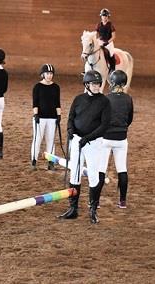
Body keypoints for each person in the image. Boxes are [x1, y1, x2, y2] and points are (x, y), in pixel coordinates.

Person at [58, 70, 111, 224]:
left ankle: (93, 209)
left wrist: (87, 138)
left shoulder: (104, 102)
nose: (97, 86)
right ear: (87, 85)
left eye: (98, 84)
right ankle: (73, 208)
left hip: (93, 143)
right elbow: (71, 117)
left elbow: (104, 125)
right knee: (75, 172)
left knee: (94, 175)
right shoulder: (79, 99)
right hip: (77, 140)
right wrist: (70, 131)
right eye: (94, 84)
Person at [97, 70, 133, 209]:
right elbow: (129, 119)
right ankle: (122, 201)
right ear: (124, 83)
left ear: (111, 82)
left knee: (101, 169)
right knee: (122, 169)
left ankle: (96, 201)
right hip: (121, 138)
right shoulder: (128, 98)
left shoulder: (105, 98)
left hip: (106, 138)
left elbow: (101, 119)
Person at [31, 64, 61, 170]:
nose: (49, 76)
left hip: (52, 118)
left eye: (51, 74)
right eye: (47, 73)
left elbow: (58, 103)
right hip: (40, 118)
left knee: (51, 140)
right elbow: (35, 103)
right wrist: (36, 114)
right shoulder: (37, 87)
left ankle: (51, 162)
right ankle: (34, 160)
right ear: (43, 74)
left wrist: (59, 115)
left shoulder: (56, 87)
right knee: (37, 139)